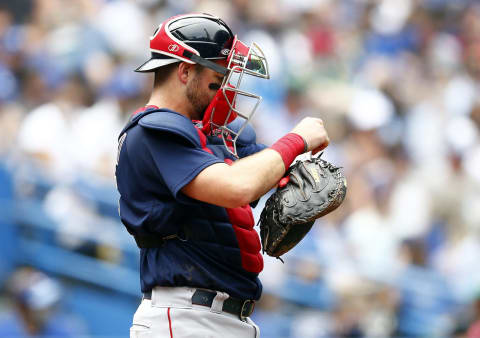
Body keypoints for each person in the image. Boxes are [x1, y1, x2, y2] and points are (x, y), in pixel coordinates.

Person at [115, 13, 329, 338]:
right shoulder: (152, 132)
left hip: (228, 319)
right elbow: (237, 186)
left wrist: (293, 175)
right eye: (219, 72)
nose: (226, 83)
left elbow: (264, 174)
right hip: (185, 318)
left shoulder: (215, 135)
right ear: (185, 70)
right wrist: (296, 139)